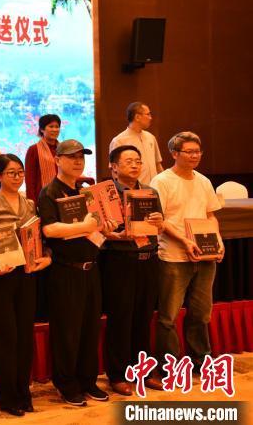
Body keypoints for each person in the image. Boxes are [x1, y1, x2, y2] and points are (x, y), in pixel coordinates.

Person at [0, 154, 52, 415]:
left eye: (20, 172)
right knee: (5, 339)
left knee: (25, 337)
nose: (17, 177)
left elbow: (38, 236)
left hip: (26, 275)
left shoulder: (29, 204)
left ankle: (23, 393)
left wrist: (45, 256)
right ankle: (8, 398)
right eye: (11, 173)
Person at [37, 139, 115, 407]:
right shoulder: (49, 192)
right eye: (71, 156)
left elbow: (98, 226)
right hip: (65, 272)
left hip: (91, 269)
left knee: (89, 329)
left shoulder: (86, 191)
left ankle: (88, 381)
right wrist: (85, 227)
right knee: (67, 331)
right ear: (57, 160)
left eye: (81, 156)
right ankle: (66, 384)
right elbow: (49, 230)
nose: (78, 161)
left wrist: (105, 226)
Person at [150, 132, 224, 373]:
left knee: (201, 313)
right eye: (189, 152)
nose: (195, 156)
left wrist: (217, 239)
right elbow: (159, 221)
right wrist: (184, 241)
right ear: (174, 153)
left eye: (197, 152)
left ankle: (201, 361)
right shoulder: (161, 181)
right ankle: (169, 366)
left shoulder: (203, 181)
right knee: (168, 316)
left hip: (205, 256)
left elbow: (210, 215)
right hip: (173, 256)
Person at [101, 145, 165, 396]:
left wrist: (159, 223)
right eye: (129, 161)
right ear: (114, 167)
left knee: (143, 318)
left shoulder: (149, 192)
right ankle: (117, 375)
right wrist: (115, 235)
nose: (135, 165)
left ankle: (144, 371)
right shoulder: (106, 193)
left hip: (148, 259)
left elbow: (159, 226)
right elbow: (98, 231)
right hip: (120, 261)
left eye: (138, 161)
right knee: (120, 319)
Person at [109, 102, 163, 185]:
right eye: (148, 114)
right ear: (137, 117)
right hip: (134, 189)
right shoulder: (119, 140)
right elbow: (114, 170)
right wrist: (123, 190)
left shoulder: (151, 137)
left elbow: (157, 164)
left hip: (154, 188)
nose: (150, 118)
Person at [24, 114, 61, 203]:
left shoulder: (63, 149)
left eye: (57, 127)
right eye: (51, 126)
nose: (55, 129)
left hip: (63, 196)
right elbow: (29, 180)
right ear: (42, 129)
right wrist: (32, 203)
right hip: (42, 199)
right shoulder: (34, 149)